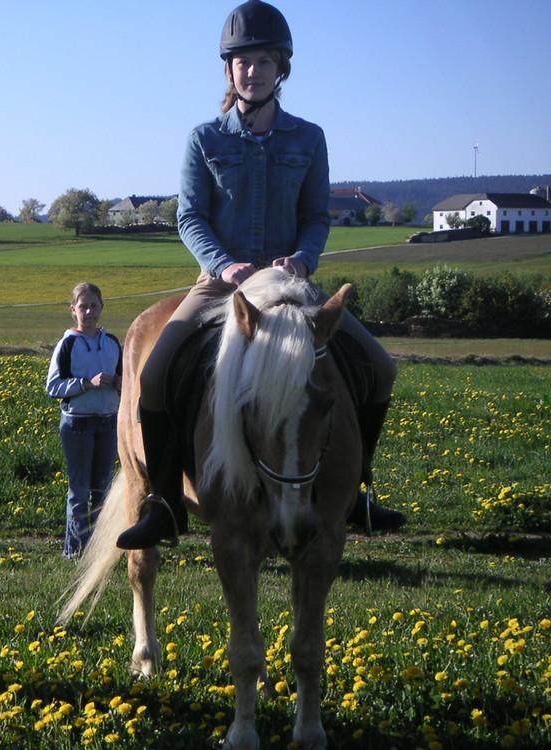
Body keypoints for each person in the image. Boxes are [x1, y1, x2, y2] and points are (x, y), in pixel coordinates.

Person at [116, 0, 406, 550]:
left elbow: (317, 217)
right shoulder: (205, 139)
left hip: (290, 286)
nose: (252, 71)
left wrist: (303, 258)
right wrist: (223, 263)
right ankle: (164, 503)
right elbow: (190, 215)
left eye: (263, 62)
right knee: (153, 377)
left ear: (282, 69)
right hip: (220, 285)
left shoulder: (309, 138)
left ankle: (356, 490)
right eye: (242, 62)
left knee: (381, 368)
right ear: (229, 71)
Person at [47, 283, 122, 559]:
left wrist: (118, 383)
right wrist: (86, 384)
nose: (89, 312)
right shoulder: (68, 344)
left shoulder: (112, 342)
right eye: (83, 307)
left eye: (94, 306)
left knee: (103, 491)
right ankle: (75, 551)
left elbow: (124, 379)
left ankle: (100, 552)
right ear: (73, 310)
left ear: (102, 308)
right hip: (77, 425)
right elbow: (53, 387)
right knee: (79, 492)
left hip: (107, 423)